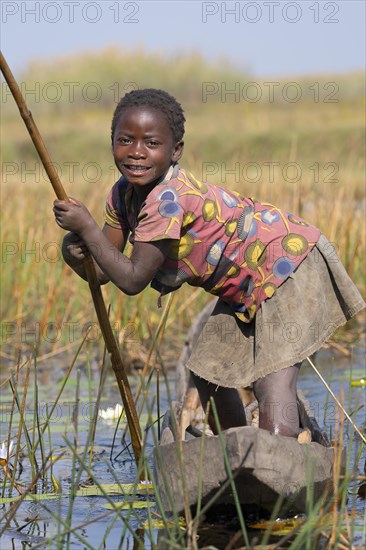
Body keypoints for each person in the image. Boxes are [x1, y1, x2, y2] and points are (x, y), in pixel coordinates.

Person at [53, 89, 365, 438]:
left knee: (271, 376)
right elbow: (103, 271)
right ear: (111, 142)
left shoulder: (168, 200)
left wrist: (86, 227)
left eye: (151, 143)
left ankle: (280, 450)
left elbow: (132, 279)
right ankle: (238, 460)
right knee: (210, 372)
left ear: (176, 151)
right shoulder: (121, 194)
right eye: (125, 140)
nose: (137, 153)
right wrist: (73, 250)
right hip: (245, 289)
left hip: (288, 265)